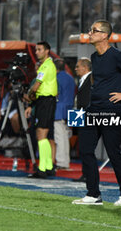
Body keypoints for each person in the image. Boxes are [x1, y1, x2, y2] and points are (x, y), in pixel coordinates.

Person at [72, 20, 121, 206]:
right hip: (93, 109)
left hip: (111, 111)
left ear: (105, 35)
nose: (90, 33)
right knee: (86, 150)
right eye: (91, 30)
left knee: (113, 153)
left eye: (94, 31)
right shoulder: (94, 57)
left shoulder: (116, 56)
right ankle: (93, 194)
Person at [25, 41, 57, 179]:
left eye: (39, 49)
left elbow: (36, 85)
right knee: (46, 135)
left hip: (44, 101)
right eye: (36, 49)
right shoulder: (49, 65)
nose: (36, 52)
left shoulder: (45, 66)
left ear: (47, 51)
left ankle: (42, 169)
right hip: (48, 101)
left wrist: (29, 96)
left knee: (41, 134)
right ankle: (48, 166)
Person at [72, 57, 92, 182]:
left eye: (78, 66)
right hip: (80, 115)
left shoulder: (91, 80)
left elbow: (87, 101)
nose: (76, 69)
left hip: (86, 116)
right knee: (83, 146)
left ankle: (88, 174)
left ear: (85, 67)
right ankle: (86, 173)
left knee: (87, 147)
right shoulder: (83, 80)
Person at [53, 58, 75, 169]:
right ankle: (65, 160)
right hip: (69, 109)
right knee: (65, 136)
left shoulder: (56, 78)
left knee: (59, 137)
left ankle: (61, 162)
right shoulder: (70, 78)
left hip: (58, 110)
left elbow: (56, 93)